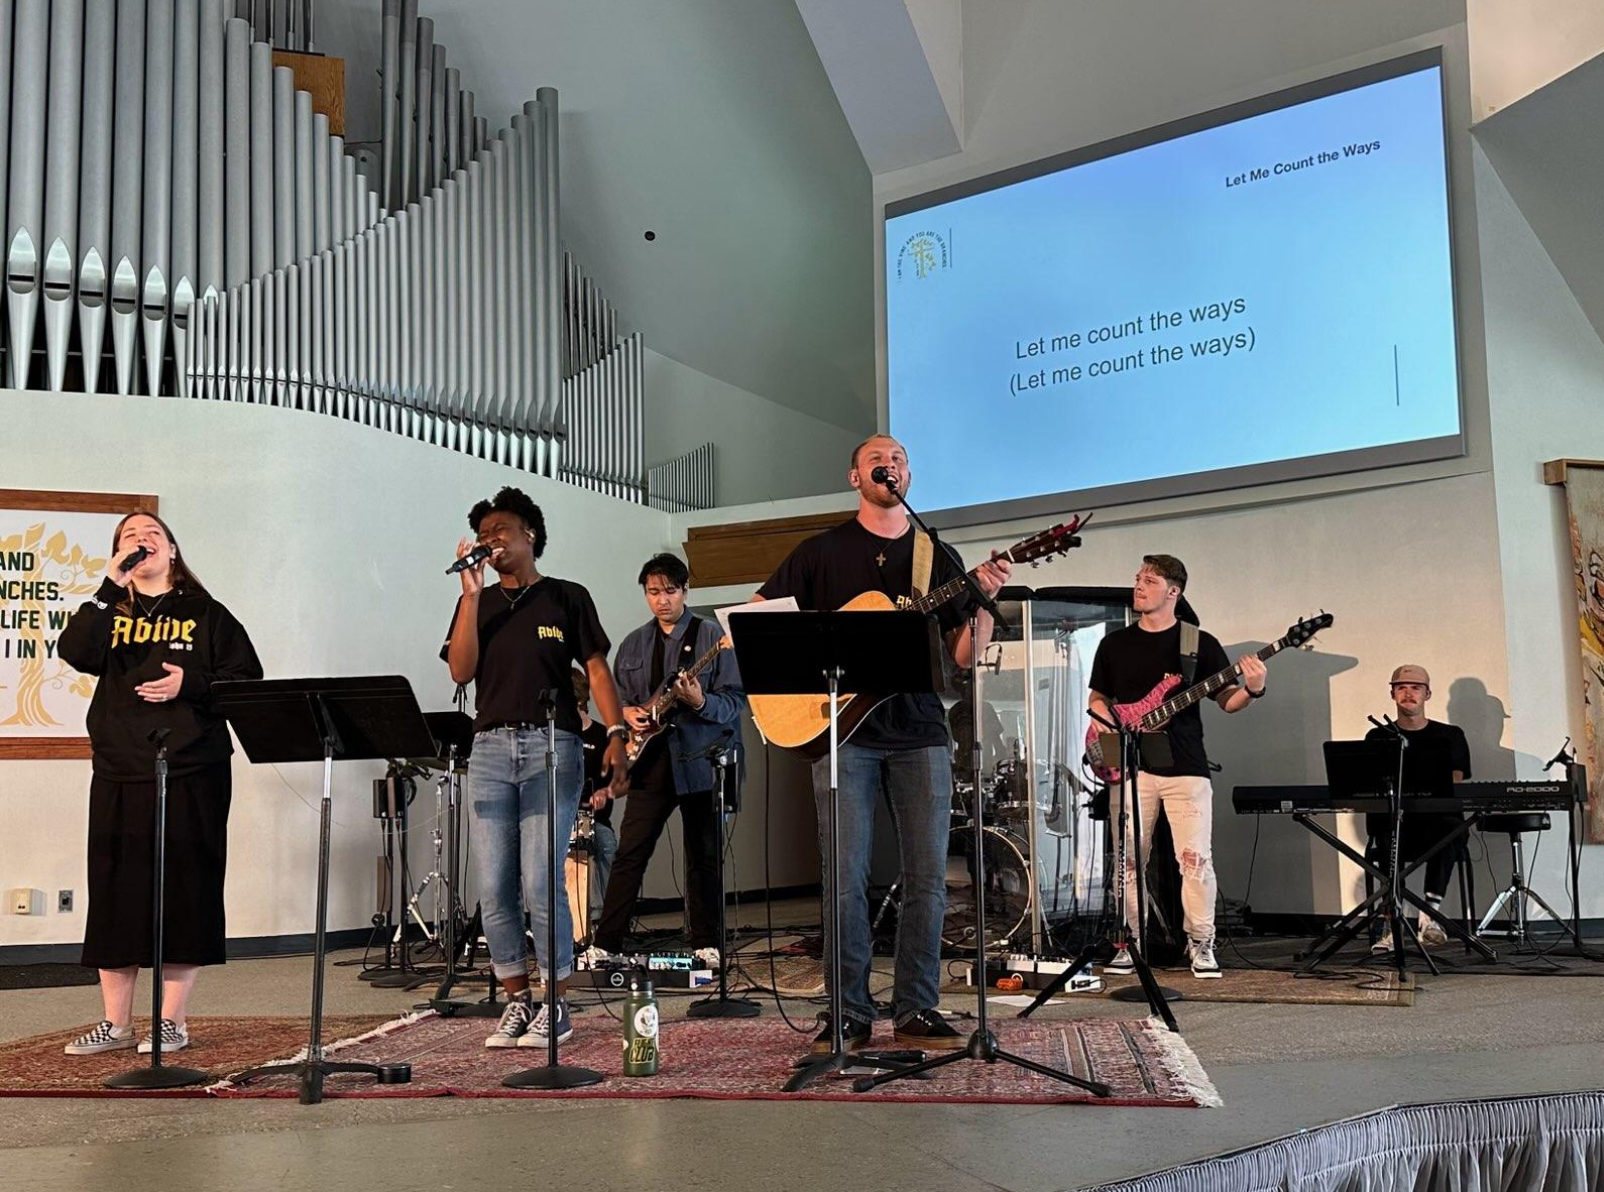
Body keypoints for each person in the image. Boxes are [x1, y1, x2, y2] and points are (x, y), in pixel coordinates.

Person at [756, 434, 1010, 1053]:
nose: (888, 464)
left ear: (908, 476)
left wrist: (984, 603)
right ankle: (848, 1011)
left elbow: (962, 656)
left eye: (897, 458)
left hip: (920, 729)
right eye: (877, 457)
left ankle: (917, 1008)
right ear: (855, 477)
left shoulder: (934, 554)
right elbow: (761, 618)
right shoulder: (821, 552)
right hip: (843, 732)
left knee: (927, 876)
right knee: (844, 874)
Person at [56, 512, 263, 1056]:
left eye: (151, 534)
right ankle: (117, 1024)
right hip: (121, 767)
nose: (140, 540)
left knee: (185, 890)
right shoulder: (110, 608)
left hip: (192, 767)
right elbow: (76, 653)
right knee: (116, 893)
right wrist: (109, 584)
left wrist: (187, 683)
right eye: (129, 536)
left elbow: (247, 681)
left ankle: (171, 1020)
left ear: (172, 551)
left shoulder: (206, 614)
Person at [443, 487, 628, 1049]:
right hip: (492, 749)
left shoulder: (566, 597)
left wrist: (616, 732)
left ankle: (558, 1002)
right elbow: (460, 672)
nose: (490, 540)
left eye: (501, 530)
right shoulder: (478, 602)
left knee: (541, 880)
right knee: (495, 885)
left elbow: (595, 667)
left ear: (530, 536)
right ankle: (517, 1000)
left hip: (554, 746)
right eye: (483, 534)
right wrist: (471, 598)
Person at [1088, 555, 1266, 980]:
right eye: (1137, 578)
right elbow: (1098, 699)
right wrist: (1105, 721)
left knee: (1195, 860)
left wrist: (1255, 690)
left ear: (1174, 592)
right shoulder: (1114, 644)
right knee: (1128, 863)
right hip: (1132, 767)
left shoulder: (1198, 643)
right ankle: (1127, 944)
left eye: (1149, 580)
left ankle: (1202, 944)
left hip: (1185, 767)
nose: (1138, 586)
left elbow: (1228, 701)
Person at [590, 553, 745, 966]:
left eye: (670, 592)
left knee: (704, 855)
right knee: (630, 852)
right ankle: (606, 943)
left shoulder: (713, 637)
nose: (662, 601)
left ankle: (706, 943)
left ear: (686, 591)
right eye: (653, 592)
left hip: (700, 757)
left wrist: (700, 701)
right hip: (649, 759)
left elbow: (734, 703)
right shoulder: (632, 643)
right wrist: (625, 713)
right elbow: (616, 698)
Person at [1365, 664, 1471, 950]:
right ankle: (1392, 922)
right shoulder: (1377, 737)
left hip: (1436, 823)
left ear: (1428, 694)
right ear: (1392, 693)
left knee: (1450, 827)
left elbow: (1455, 783)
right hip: (1397, 822)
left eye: (1415, 687)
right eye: (1401, 687)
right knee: (1386, 826)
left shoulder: (1450, 735)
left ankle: (1429, 916)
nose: (1408, 693)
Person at [571, 665, 618, 934]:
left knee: (606, 847)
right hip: (562, 820)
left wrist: (604, 794)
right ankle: (576, 924)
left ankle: (606, 923)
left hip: (596, 821)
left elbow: (617, 782)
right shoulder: (554, 737)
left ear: (578, 700)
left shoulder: (602, 736)